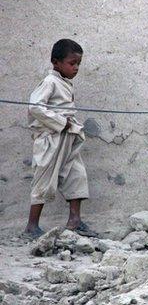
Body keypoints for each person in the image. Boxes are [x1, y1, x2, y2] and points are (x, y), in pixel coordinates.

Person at [24, 39, 97, 238]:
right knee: (44, 179)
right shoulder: (50, 82)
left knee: (77, 174)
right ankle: (32, 226)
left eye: (78, 64)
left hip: (67, 137)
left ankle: (75, 221)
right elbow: (35, 107)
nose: (76, 68)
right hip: (51, 139)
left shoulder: (64, 82)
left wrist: (68, 125)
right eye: (72, 63)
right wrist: (60, 121)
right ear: (56, 62)